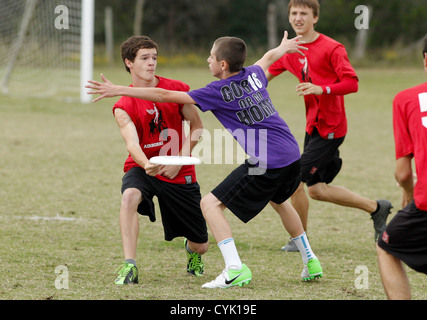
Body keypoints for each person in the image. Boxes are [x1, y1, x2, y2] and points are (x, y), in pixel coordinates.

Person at [86, 31, 324, 288]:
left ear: (222, 65)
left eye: (211, 57)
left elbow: (164, 96)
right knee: (279, 201)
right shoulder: (253, 74)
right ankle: (311, 261)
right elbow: (268, 57)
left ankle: (234, 269)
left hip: (268, 160)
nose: (207, 60)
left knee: (210, 204)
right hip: (291, 153)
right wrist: (284, 47)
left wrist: (118, 89)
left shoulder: (217, 91)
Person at [265, 0, 392, 251]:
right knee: (317, 190)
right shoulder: (290, 50)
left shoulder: (332, 48)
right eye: (294, 13)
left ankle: (299, 239)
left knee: (293, 179)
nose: (298, 18)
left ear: (315, 18)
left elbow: (352, 83)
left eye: (304, 13)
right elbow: (263, 76)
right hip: (313, 125)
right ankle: (377, 208)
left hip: (331, 128)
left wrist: (321, 88)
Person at [110, 36, 208, 285]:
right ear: (129, 63)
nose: (152, 62)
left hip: (178, 168)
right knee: (129, 196)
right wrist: (146, 164)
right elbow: (132, 144)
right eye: (144, 58)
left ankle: (191, 251)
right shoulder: (123, 104)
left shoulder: (175, 89)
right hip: (143, 166)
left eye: (154, 57)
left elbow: (197, 126)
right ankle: (129, 266)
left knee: (201, 245)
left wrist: (179, 160)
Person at [376, 35, 427, 300]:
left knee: (386, 246)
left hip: (425, 202)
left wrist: (409, 190)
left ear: (426, 60)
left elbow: (404, 173)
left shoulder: (407, 99)